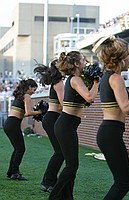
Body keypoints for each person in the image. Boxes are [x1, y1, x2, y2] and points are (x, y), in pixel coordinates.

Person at [48, 51, 100, 200]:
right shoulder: (75, 79)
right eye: (83, 60)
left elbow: (86, 101)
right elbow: (89, 96)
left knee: (72, 165)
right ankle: (55, 196)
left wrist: (91, 85)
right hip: (65, 125)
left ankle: (67, 196)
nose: (86, 62)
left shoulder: (76, 79)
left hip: (68, 125)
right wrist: (96, 82)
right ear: (77, 64)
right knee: (72, 165)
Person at [92, 35, 129, 199]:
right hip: (110, 134)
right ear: (120, 59)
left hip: (109, 133)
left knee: (122, 181)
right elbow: (126, 108)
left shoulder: (107, 77)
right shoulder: (116, 78)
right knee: (123, 182)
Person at [34, 59, 64, 193]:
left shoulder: (56, 82)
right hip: (52, 118)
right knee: (60, 152)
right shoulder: (59, 83)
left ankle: (49, 181)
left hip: (52, 118)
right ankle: (48, 182)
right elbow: (64, 104)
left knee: (60, 152)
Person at [3, 79, 42, 180]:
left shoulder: (20, 96)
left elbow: (23, 114)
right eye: (34, 89)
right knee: (20, 149)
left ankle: (12, 172)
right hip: (13, 124)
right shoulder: (27, 96)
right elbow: (28, 112)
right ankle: (14, 172)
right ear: (29, 87)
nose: (34, 91)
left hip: (10, 123)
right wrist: (39, 112)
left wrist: (36, 112)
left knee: (17, 149)